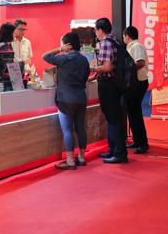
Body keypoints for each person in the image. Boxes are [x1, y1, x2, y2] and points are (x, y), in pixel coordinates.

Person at [42, 32, 90, 170]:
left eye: (62, 44)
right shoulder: (84, 60)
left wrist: (59, 50)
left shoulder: (63, 59)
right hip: (81, 98)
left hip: (65, 99)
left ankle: (70, 160)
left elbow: (45, 56)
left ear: (67, 45)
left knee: (67, 130)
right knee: (80, 128)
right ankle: (81, 157)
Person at [92, 17, 128, 164]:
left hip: (108, 85)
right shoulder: (115, 40)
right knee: (114, 118)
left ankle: (119, 153)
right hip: (116, 84)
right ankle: (114, 150)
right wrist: (95, 74)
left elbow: (107, 67)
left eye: (96, 30)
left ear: (100, 30)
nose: (96, 33)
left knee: (113, 119)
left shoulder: (106, 43)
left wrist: (92, 69)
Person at [122, 26, 149, 154]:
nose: (123, 39)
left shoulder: (136, 46)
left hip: (138, 82)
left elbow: (140, 62)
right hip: (135, 83)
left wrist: (127, 69)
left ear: (127, 36)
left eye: (124, 36)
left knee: (135, 112)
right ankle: (137, 140)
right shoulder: (131, 46)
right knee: (132, 112)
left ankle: (142, 143)